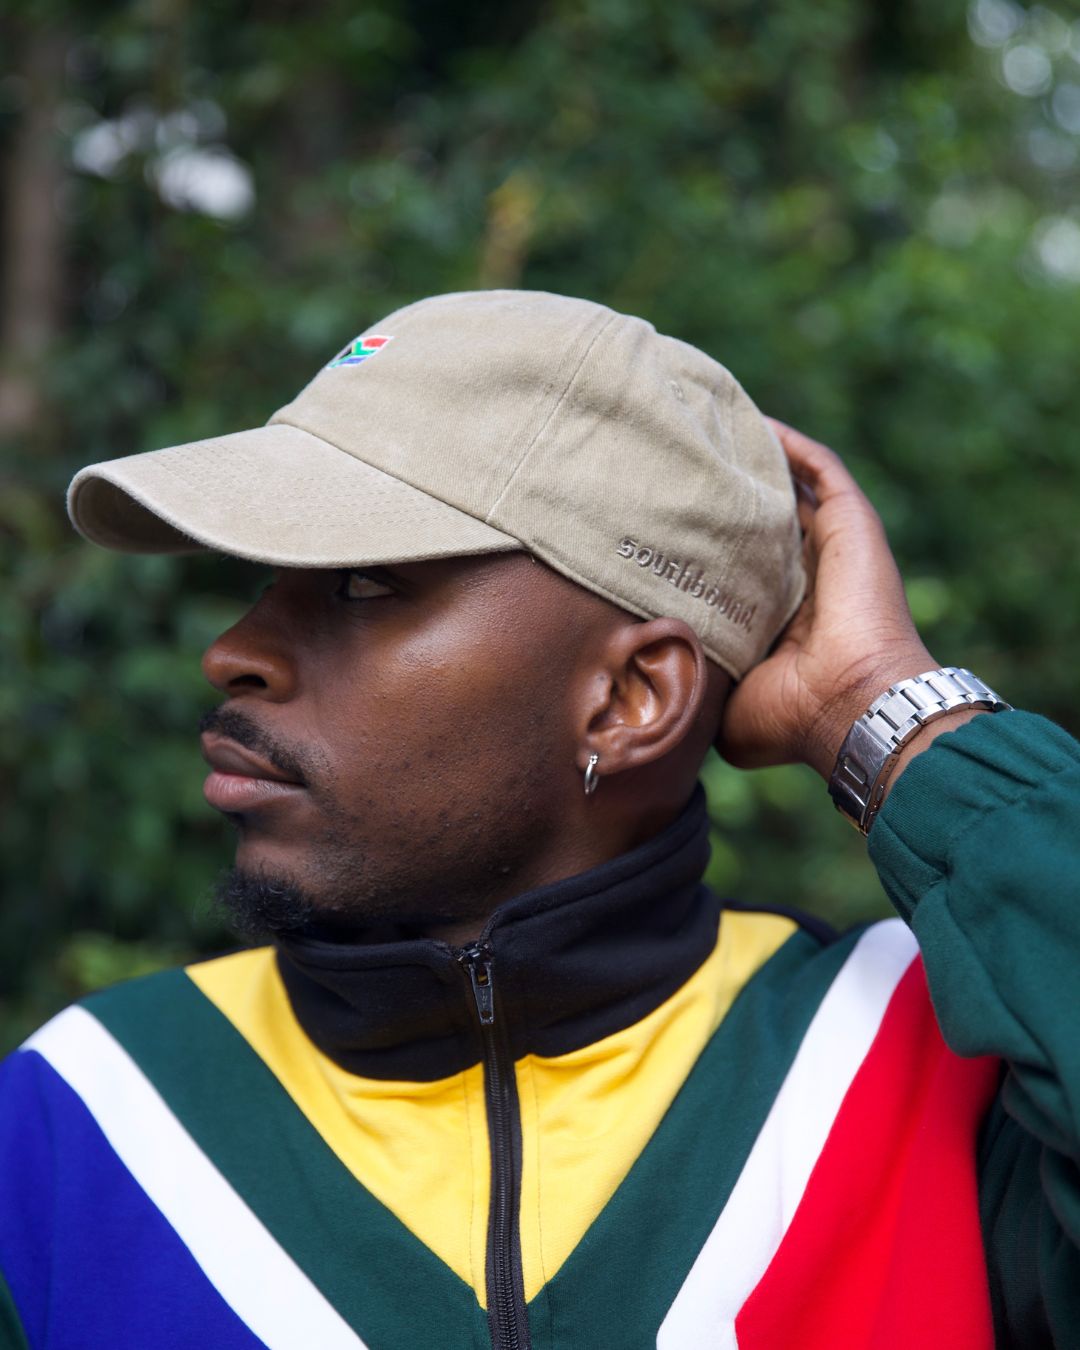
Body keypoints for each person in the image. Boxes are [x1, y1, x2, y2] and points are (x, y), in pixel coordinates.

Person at [0, 290, 1076, 1350]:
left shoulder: (935, 1073)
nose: (232, 649)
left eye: (363, 586)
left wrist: (884, 710)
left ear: (629, 698)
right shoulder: (83, 1117)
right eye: (268, 581)